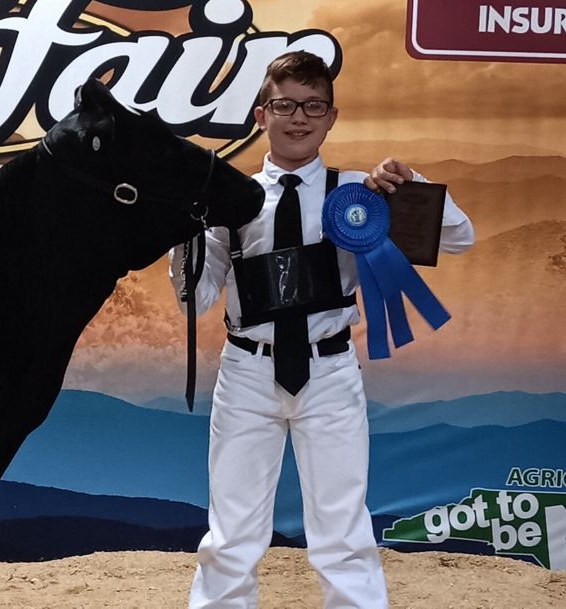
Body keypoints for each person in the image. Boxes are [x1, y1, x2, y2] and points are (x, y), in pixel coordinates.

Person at [169, 51, 474, 609]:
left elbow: (460, 236)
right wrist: (184, 226)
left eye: (314, 105)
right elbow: (199, 294)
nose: (299, 117)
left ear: (333, 117)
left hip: (329, 371)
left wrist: (409, 185)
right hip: (247, 372)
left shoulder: (361, 191)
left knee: (343, 535)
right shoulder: (230, 199)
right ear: (262, 114)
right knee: (232, 534)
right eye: (284, 104)